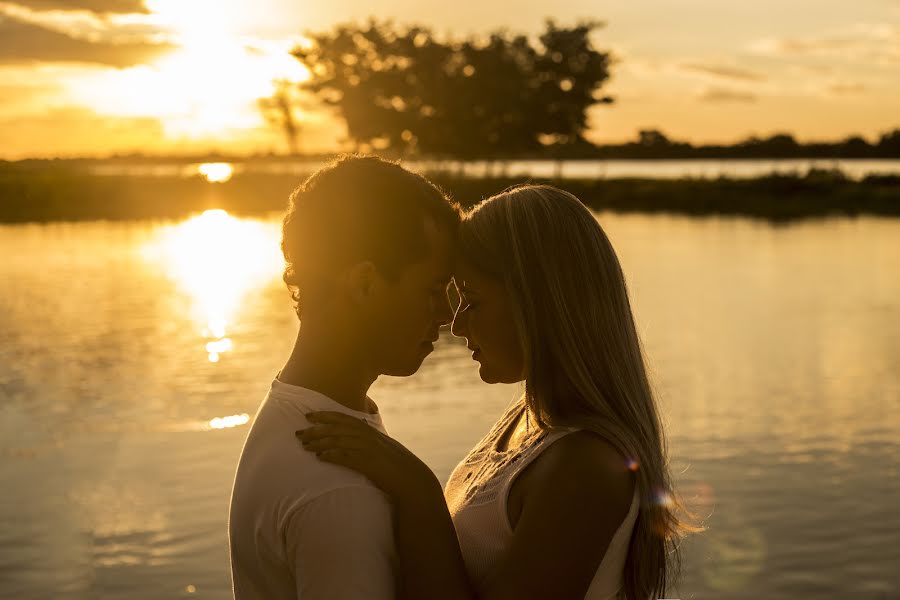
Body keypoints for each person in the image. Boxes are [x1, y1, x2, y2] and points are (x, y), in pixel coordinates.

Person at [298, 184, 691, 600]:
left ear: (536, 304)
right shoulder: (529, 419)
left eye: (472, 298)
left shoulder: (586, 466)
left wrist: (416, 490)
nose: (457, 324)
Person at [228, 155, 461, 599]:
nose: (447, 314)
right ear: (365, 284)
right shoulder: (337, 490)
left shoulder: (292, 411)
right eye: (433, 290)